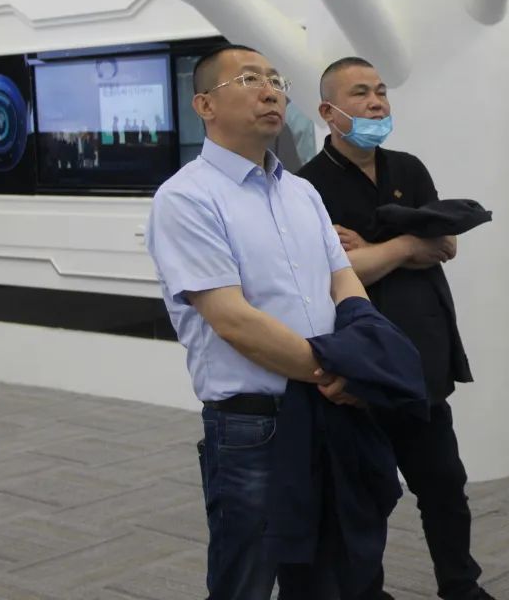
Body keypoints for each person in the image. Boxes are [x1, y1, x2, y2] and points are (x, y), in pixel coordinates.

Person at [145, 44, 369, 600]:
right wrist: (333, 372)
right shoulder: (186, 198)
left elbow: (344, 281)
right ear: (204, 105)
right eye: (249, 80)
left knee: (326, 574)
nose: (271, 92)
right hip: (254, 425)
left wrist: (359, 354)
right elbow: (233, 320)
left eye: (276, 81)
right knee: (245, 577)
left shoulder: (302, 192)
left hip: (326, 410)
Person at [297, 57, 495, 600]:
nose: (376, 103)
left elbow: (446, 244)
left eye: (381, 92)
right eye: (361, 93)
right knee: (366, 495)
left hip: (422, 355)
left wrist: (377, 248)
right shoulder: (307, 186)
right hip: (359, 364)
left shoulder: (408, 169)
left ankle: (461, 586)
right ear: (328, 112)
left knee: (445, 486)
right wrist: (409, 244)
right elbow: (335, 274)